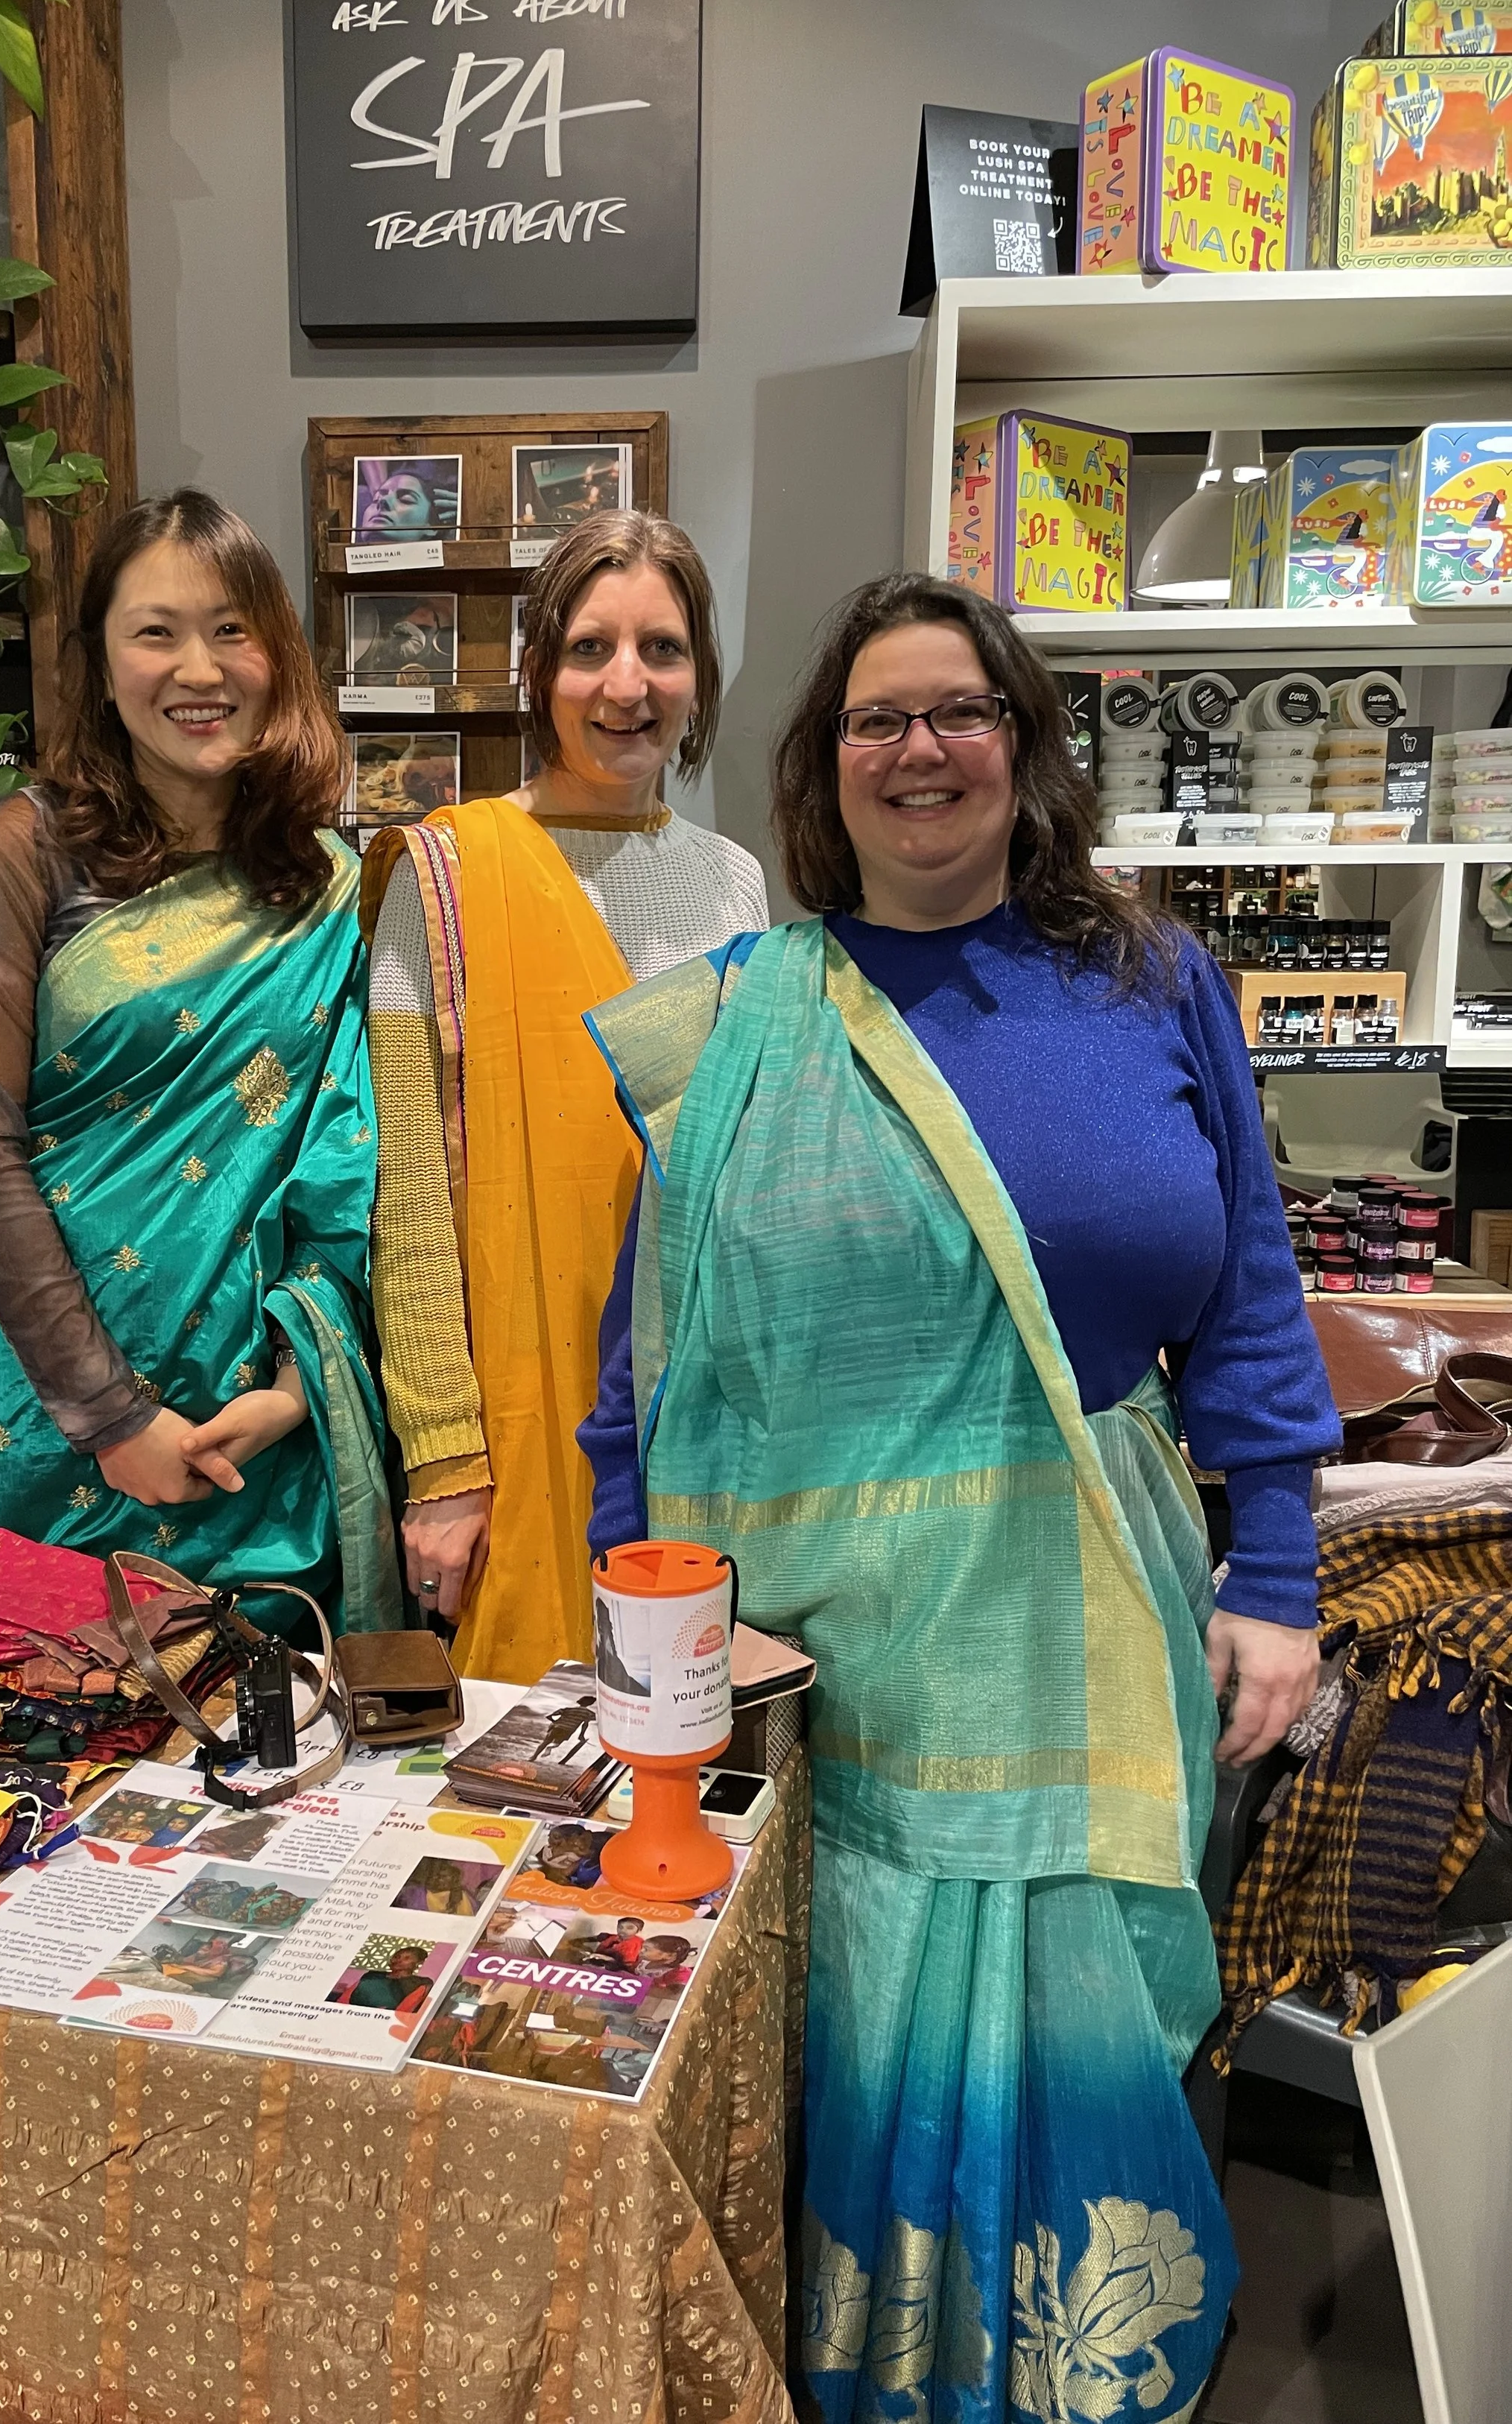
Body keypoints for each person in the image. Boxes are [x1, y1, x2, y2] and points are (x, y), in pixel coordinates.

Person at [580, 573, 1342, 2420]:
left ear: (1021, 742)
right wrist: (642, 1609)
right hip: (818, 1673)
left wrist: (1275, 1573)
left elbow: (1247, 1290)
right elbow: (653, 1354)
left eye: (960, 710)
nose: (919, 749)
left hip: (1091, 1624)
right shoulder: (741, 1025)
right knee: (847, 2051)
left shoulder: (1151, 978)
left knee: (1088, 2047)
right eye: (877, 718)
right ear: (823, 766)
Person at [0, 490, 402, 1634]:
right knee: (33, 1711)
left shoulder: (330, 882)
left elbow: (348, 1155)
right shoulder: (23, 851)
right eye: (157, 632)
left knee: (266, 1723)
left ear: (278, 654)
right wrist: (109, 1414)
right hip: (44, 1412)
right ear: (100, 664)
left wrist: (293, 1389)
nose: (201, 668)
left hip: (253, 1423)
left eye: (233, 629)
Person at [361, 510, 769, 1677]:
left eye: (663, 648)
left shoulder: (735, 884)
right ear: (538, 669)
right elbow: (409, 1197)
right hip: (514, 1418)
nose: (628, 685)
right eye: (592, 648)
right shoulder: (443, 875)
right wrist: (444, 1462)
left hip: (696, 1409)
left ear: (700, 675)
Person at [336, 1945, 431, 2012]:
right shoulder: (372, 1975)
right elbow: (343, 2001)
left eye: (407, 1958)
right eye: (397, 1957)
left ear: (418, 1963)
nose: (399, 1960)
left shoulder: (420, 1983)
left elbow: (403, 2012)